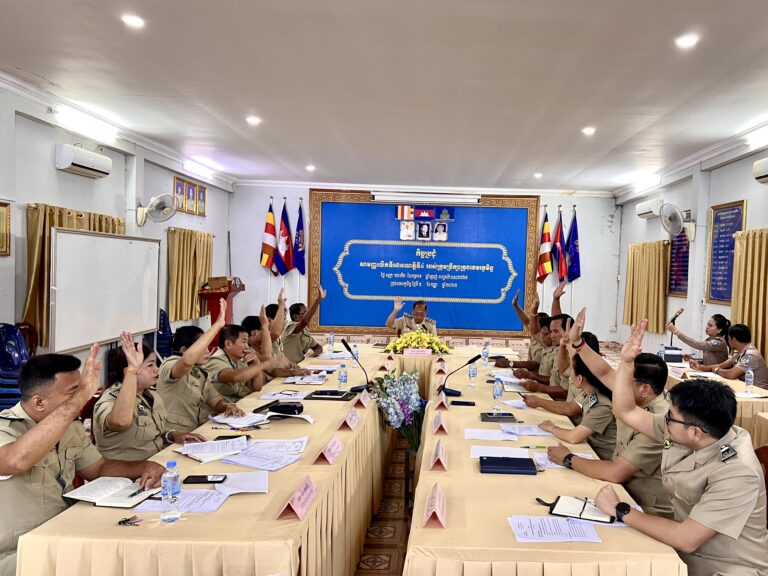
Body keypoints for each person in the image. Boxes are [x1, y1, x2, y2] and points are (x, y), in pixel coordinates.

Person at [594, 320, 768, 576]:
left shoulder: (738, 471)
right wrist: (627, 362)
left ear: (695, 432)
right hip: (682, 553)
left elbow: (686, 538)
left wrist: (621, 509)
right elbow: (626, 410)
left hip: (724, 568)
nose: (664, 419)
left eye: (669, 417)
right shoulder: (693, 431)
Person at [0, 345, 165, 576]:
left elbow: (98, 468)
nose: (83, 398)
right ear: (38, 402)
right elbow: (15, 460)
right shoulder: (6, 429)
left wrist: (144, 466)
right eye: (74, 393)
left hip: (67, 533)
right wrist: (82, 397)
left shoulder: (69, 427)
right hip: (22, 552)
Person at [547, 307, 673, 518]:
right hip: (620, 492)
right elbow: (604, 372)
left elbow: (616, 472)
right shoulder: (635, 393)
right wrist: (577, 343)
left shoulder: (658, 422)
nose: (619, 385)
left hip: (645, 508)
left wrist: (568, 458)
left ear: (645, 389)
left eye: (626, 380)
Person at [94, 333, 206, 461]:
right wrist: (132, 369)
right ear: (128, 371)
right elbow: (120, 422)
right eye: (150, 365)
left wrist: (172, 435)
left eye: (155, 364)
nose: (156, 369)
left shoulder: (152, 395)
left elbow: (152, 435)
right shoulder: (111, 399)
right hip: (126, 471)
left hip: (155, 463)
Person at [157, 300, 247, 432]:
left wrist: (227, 406)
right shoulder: (170, 364)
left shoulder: (200, 373)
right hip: (173, 435)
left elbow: (216, 401)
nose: (207, 351)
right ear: (184, 350)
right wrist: (216, 326)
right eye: (202, 347)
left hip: (195, 432)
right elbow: (187, 361)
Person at [538, 341, 617, 461]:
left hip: (601, 457)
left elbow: (573, 437)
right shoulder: (590, 391)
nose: (570, 375)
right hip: (588, 446)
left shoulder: (602, 404)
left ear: (579, 379)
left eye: (572, 370)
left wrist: (552, 428)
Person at [205, 324, 288, 401]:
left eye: (247, 342)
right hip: (220, 410)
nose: (247, 347)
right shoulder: (215, 360)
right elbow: (235, 377)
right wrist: (265, 364)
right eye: (244, 342)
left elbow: (257, 387)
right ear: (228, 344)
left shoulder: (240, 359)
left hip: (237, 405)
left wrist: (256, 363)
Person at [690, 323, 768, 389]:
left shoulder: (751, 355)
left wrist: (717, 370)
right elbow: (720, 366)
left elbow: (731, 374)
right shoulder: (739, 352)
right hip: (747, 389)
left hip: (758, 392)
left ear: (733, 339)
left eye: (728, 338)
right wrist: (700, 367)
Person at [281, 286, 327, 364]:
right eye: (304, 313)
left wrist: (317, 351)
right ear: (295, 316)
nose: (307, 314)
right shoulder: (290, 326)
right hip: (286, 367)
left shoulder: (305, 330)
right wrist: (317, 301)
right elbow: (304, 321)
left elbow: (317, 346)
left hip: (299, 365)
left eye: (307, 312)